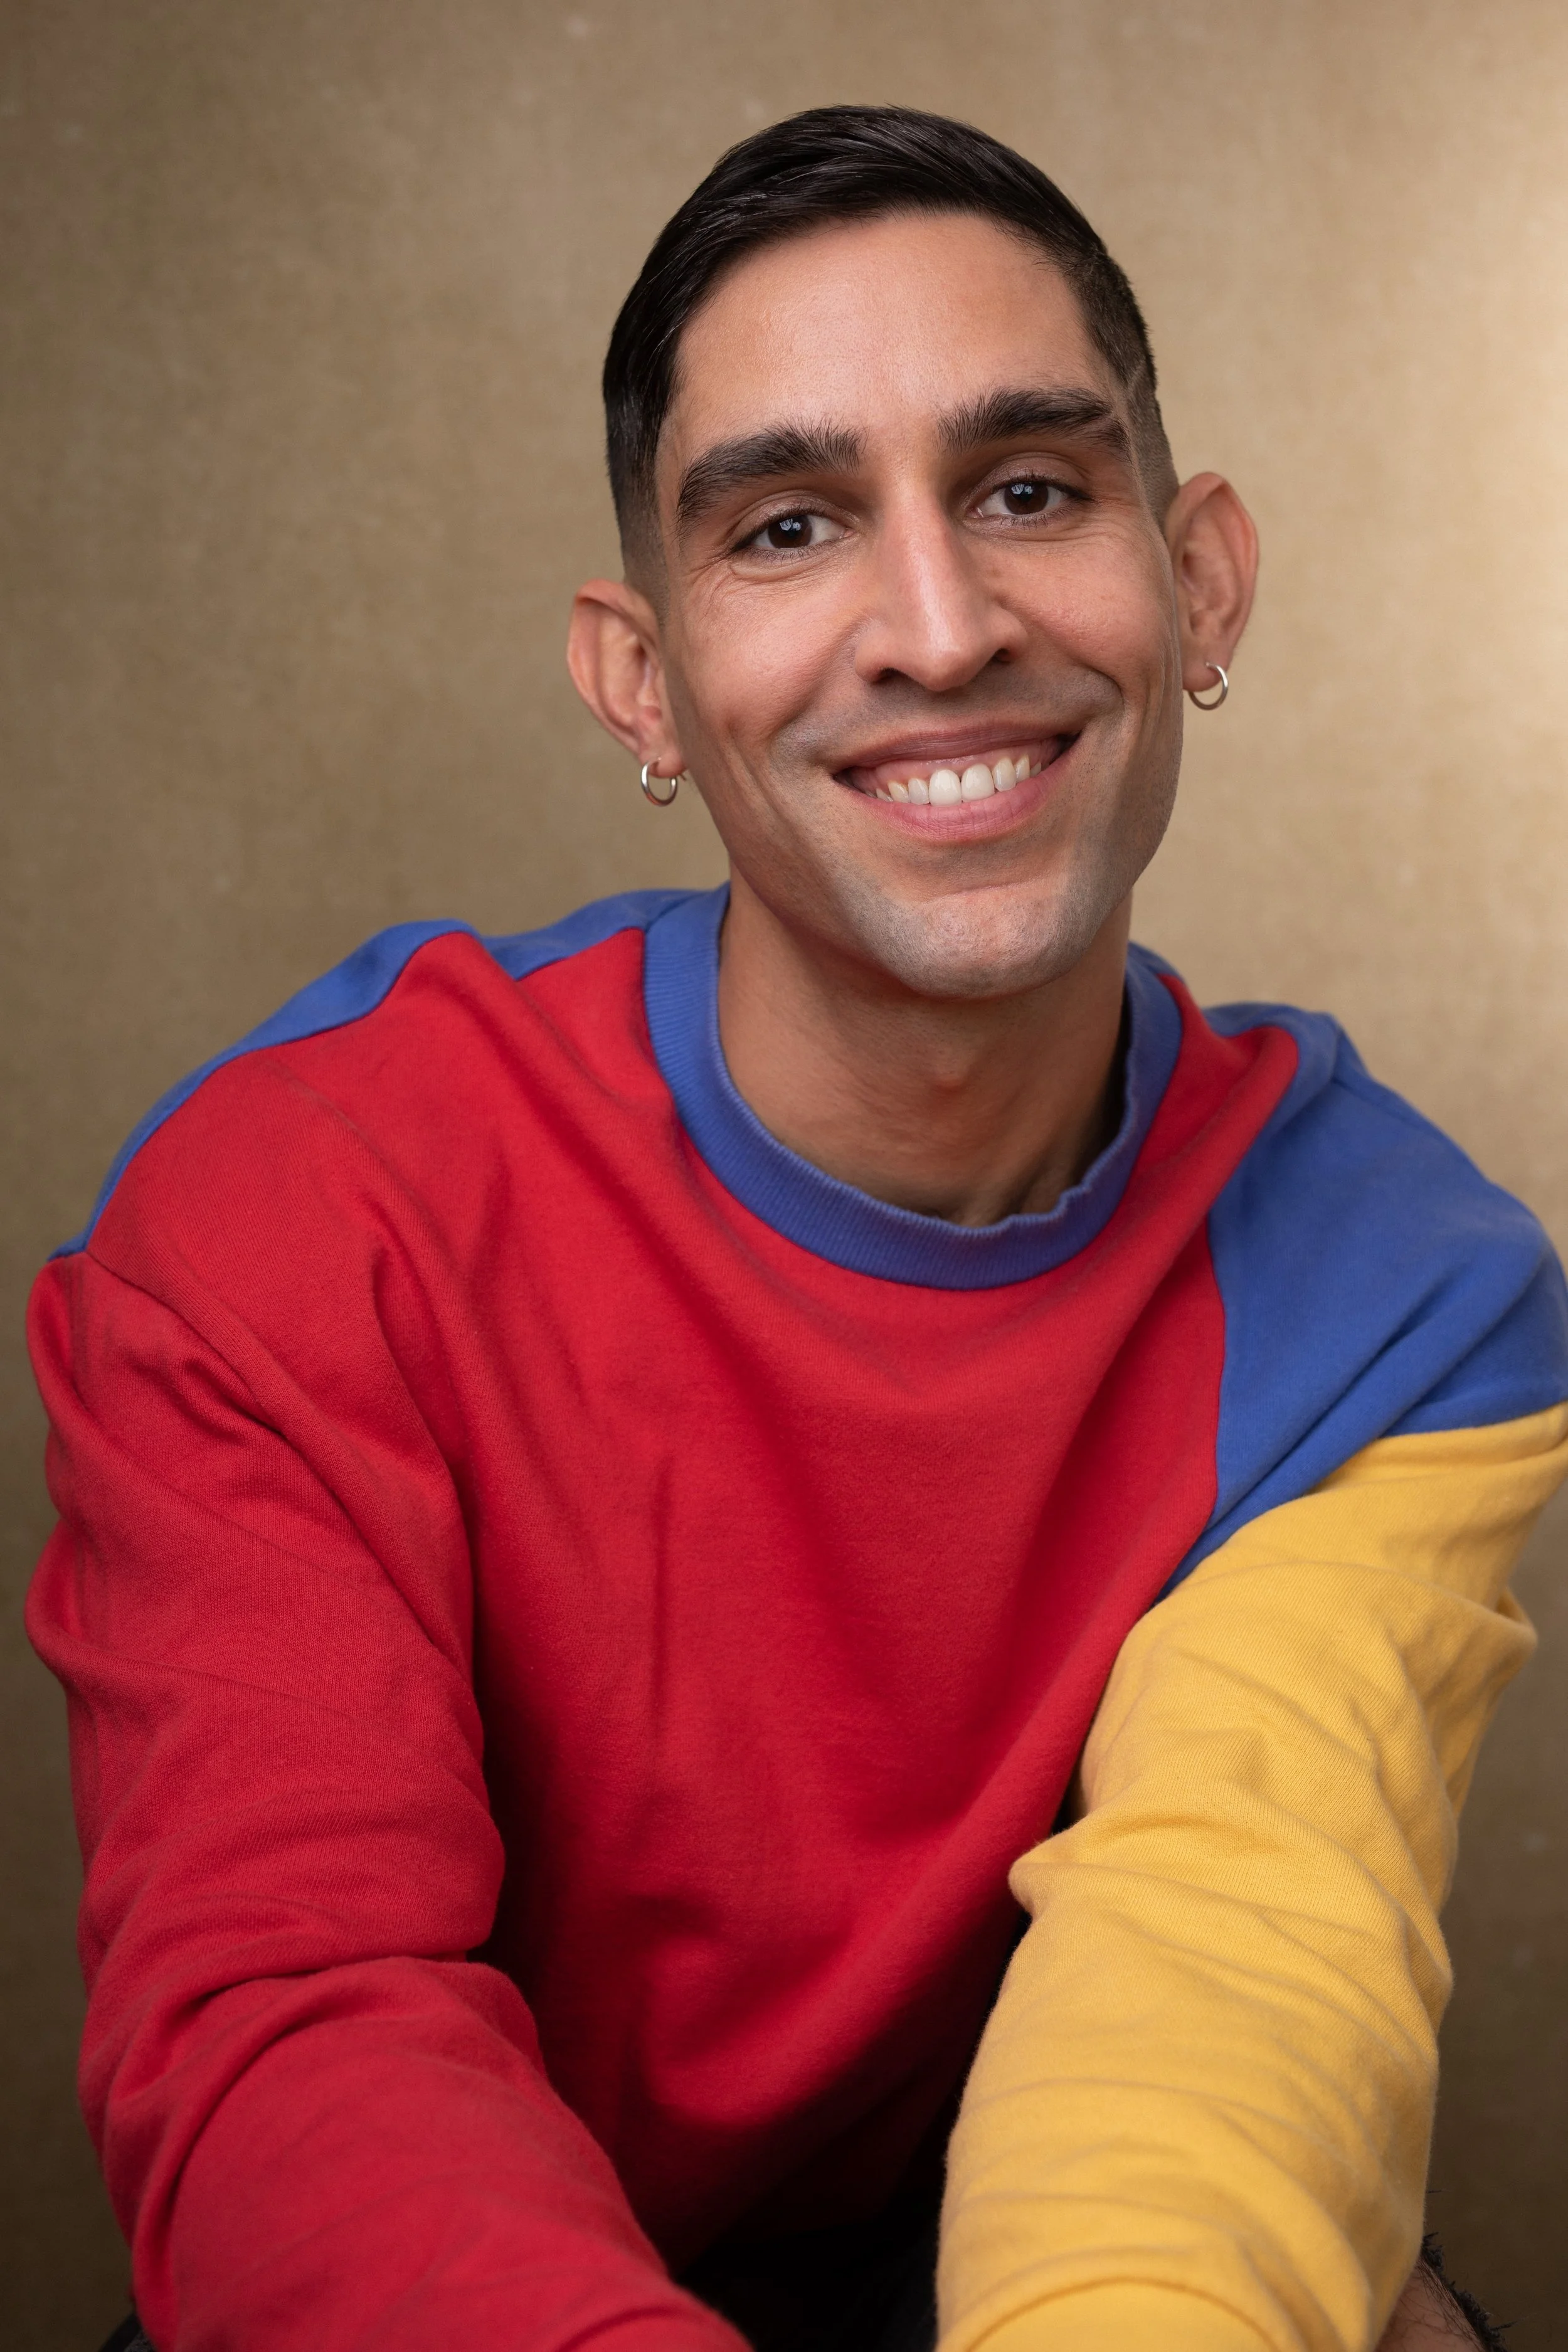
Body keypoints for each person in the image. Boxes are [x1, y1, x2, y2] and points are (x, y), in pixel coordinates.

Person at [28, 106, 1564, 2352]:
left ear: (1201, 575)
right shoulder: (295, 1212)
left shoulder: (1396, 1293)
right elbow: (302, 2033)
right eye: (786, 526)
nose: (938, 630)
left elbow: (1230, 1977)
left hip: (994, 2251)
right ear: (639, 678)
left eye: (1031, 488)